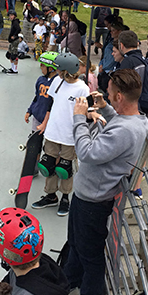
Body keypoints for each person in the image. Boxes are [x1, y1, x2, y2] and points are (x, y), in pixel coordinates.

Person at [64, 69, 148, 295]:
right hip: (87, 195)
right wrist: (107, 110)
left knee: (90, 254)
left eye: (110, 95)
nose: (108, 98)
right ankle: (71, 282)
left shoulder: (125, 131)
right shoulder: (135, 120)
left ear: (120, 96)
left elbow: (87, 152)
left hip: (94, 202)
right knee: (76, 244)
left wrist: (79, 119)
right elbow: (119, 123)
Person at [31, 52, 89, 216]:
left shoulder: (82, 88)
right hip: (52, 132)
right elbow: (51, 104)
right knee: (48, 165)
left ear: (66, 71)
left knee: (64, 168)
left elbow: (85, 111)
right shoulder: (57, 81)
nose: (56, 71)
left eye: (59, 69)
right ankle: (50, 196)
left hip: (69, 136)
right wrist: (44, 124)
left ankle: (65, 198)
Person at [27, 52, 58, 134]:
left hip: (50, 119)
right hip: (37, 116)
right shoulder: (41, 79)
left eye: (42, 65)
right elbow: (36, 97)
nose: (40, 67)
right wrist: (29, 111)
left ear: (51, 69)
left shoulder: (57, 82)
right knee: (34, 141)